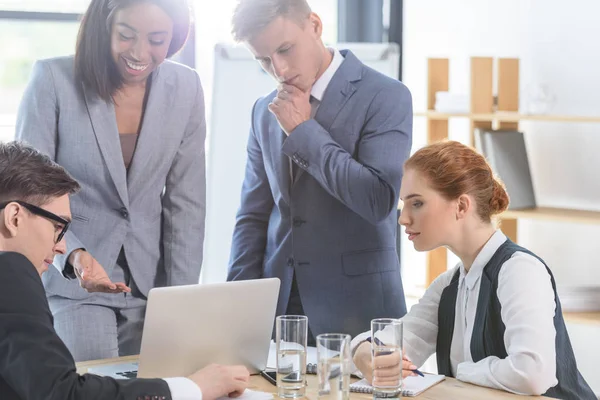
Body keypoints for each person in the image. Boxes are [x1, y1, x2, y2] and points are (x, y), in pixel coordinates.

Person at [16, 0, 206, 362]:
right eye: (126, 35)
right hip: (75, 281)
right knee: (94, 385)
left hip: (152, 283)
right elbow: (30, 192)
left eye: (157, 39)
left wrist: (183, 301)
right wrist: (73, 254)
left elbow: (187, 204)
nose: (139, 52)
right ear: (104, 27)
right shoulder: (53, 79)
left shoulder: (186, 87)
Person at [0, 141, 248, 400]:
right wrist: (193, 387)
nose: (62, 247)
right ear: (15, 217)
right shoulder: (10, 272)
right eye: (58, 227)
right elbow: (64, 393)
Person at [227, 0, 412, 343]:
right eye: (264, 60)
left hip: (359, 311)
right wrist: (236, 306)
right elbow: (253, 216)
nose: (279, 70)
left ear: (314, 24)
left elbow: (377, 199)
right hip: (279, 312)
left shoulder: (387, 96)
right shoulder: (263, 110)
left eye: (285, 49)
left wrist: (303, 133)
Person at [352, 141, 596, 399]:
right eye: (405, 204)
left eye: (417, 203)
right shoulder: (449, 285)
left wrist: (462, 371)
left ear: (461, 206)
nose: (402, 218)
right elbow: (396, 341)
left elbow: (533, 374)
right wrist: (363, 353)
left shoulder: (520, 271)